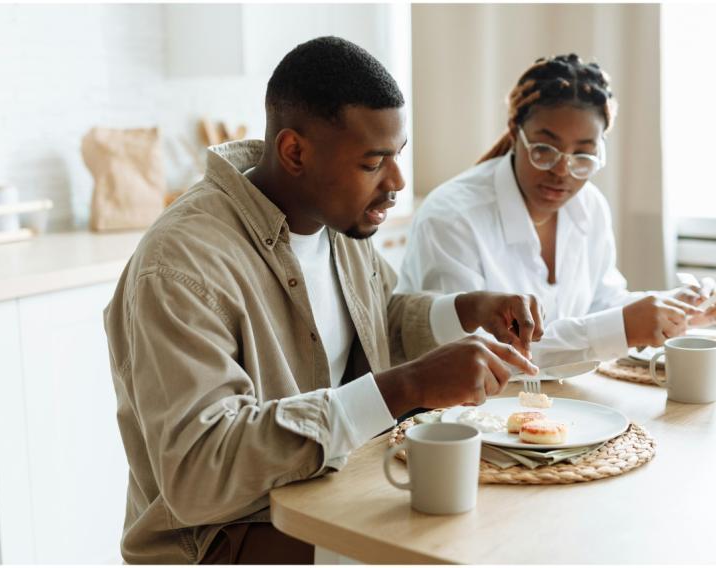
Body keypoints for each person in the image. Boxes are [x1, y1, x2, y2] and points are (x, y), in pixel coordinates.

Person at [103, 36, 546, 564]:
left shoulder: (336, 221)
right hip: (227, 536)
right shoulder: (181, 265)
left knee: (511, 529)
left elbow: (378, 320)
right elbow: (202, 470)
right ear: (295, 151)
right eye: (373, 162)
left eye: (398, 156)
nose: (397, 181)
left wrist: (464, 311)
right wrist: (407, 384)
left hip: (334, 494)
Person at [397, 54, 716, 365]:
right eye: (545, 149)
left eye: (583, 155)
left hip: (561, 400)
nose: (562, 170)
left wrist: (672, 307)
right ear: (516, 133)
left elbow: (601, 303)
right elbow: (474, 355)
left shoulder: (589, 206)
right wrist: (620, 328)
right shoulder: (452, 217)